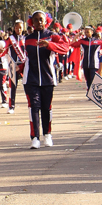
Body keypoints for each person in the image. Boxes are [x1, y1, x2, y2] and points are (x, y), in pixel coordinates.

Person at [21, 11, 68, 149]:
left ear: (46, 20)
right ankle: (35, 138)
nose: (39, 22)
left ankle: (47, 134)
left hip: (48, 78)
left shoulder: (52, 36)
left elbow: (65, 48)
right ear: (32, 23)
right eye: (36, 20)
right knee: (34, 107)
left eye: (41, 19)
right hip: (30, 79)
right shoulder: (28, 38)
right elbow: (25, 56)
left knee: (46, 108)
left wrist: (50, 45)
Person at [5, 20, 26, 115]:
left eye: (20, 28)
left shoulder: (25, 39)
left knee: (28, 85)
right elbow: (3, 49)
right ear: (14, 28)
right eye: (17, 28)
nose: (18, 29)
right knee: (12, 87)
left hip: (24, 64)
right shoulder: (10, 39)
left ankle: (32, 105)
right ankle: (11, 106)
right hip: (13, 65)